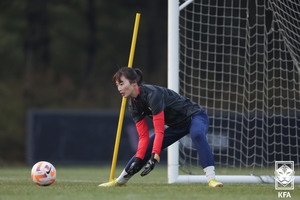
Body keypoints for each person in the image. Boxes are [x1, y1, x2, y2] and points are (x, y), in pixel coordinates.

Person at [99, 67, 223, 187]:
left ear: (134, 82)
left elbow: (159, 130)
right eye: (117, 85)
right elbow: (143, 137)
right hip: (176, 126)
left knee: (197, 134)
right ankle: (120, 181)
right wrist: (138, 158)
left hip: (194, 116)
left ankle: (212, 179)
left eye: (121, 83)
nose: (119, 88)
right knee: (144, 150)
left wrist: (155, 156)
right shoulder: (133, 105)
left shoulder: (153, 94)